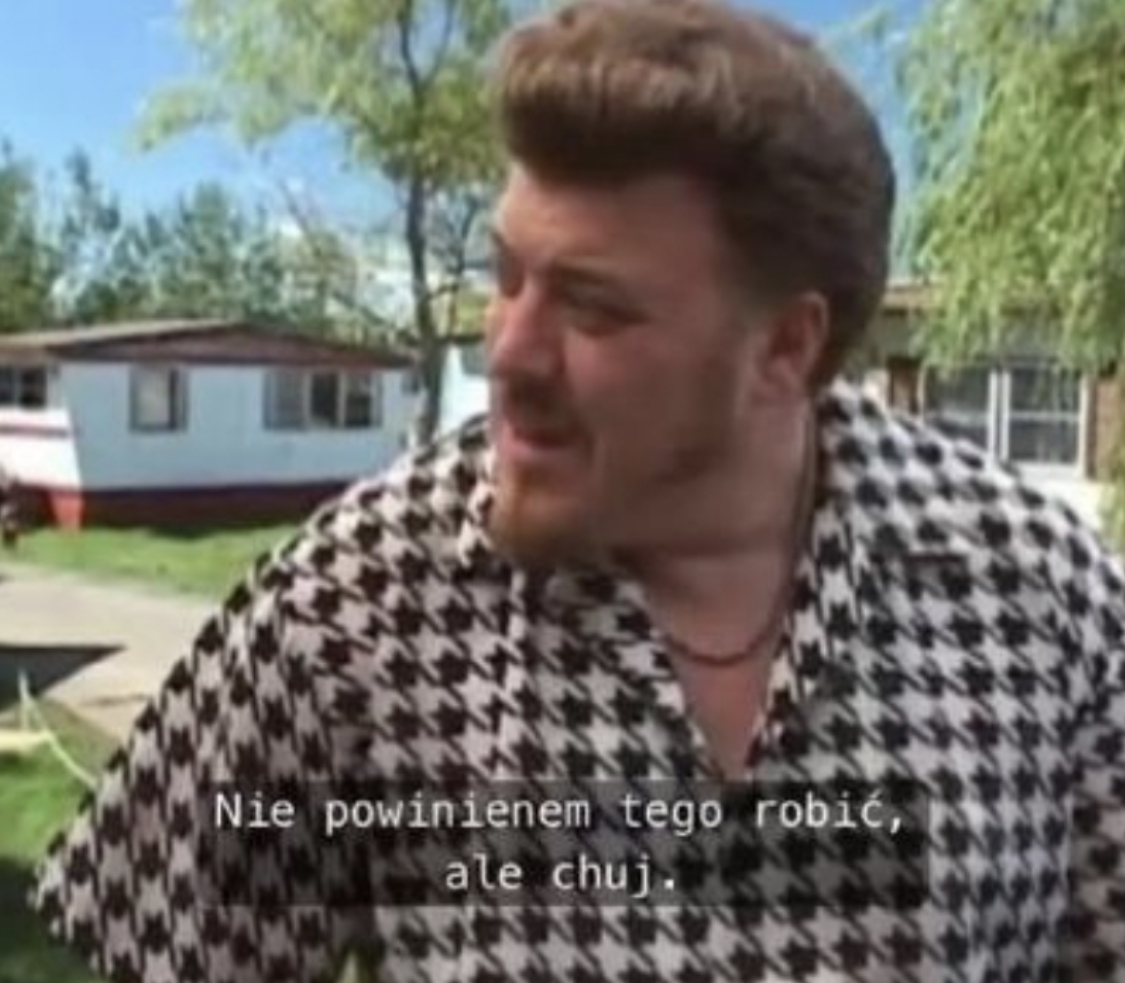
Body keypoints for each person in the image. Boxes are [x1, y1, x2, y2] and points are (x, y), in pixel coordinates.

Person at [29, 0, 1125, 979]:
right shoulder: (354, 597)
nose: (508, 353)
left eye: (593, 308)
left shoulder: (1037, 592)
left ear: (786, 347)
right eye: (507, 276)